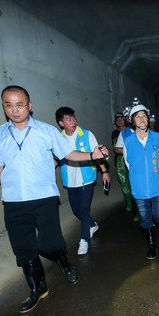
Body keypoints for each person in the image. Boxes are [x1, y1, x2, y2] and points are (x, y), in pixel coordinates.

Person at [0, 86, 107, 313]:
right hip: (13, 201)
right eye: (8, 105)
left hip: (44, 197)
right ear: (4, 107)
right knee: (24, 250)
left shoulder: (46, 131)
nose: (14, 110)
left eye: (19, 104)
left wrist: (92, 156)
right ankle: (38, 289)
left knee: (49, 243)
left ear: (29, 105)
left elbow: (67, 154)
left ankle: (63, 260)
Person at [56, 107, 110, 255]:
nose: (73, 122)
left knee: (84, 210)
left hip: (86, 178)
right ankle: (92, 225)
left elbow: (97, 154)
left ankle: (84, 240)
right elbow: (54, 159)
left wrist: (104, 172)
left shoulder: (86, 134)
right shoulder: (58, 139)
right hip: (70, 180)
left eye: (73, 118)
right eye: (68, 119)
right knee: (76, 210)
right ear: (61, 123)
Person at [123, 100, 159, 259]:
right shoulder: (128, 141)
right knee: (145, 217)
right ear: (132, 120)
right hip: (139, 188)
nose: (142, 119)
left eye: (144, 116)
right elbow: (128, 164)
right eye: (138, 117)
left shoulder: (157, 137)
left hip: (158, 186)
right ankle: (152, 244)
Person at [113, 104, 140, 222]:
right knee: (132, 187)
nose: (129, 119)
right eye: (127, 117)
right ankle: (138, 210)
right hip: (129, 163)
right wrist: (129, 149)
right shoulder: (123, 133)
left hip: (143, 164)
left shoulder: (145, 129)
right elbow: (117, 149)